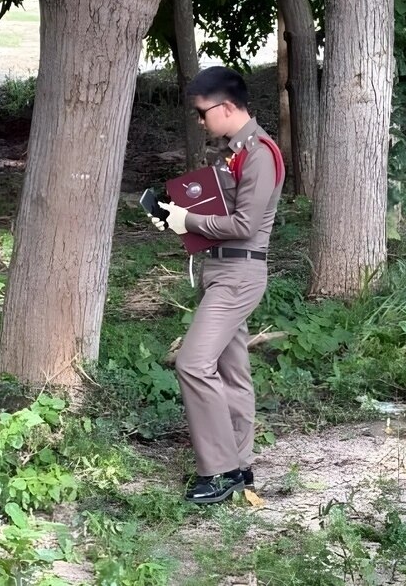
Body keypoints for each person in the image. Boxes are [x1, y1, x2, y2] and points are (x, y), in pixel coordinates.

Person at [148, 66, 283, 504]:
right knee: (231, 371)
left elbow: (244, 224)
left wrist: (190, 219)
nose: (201, 121)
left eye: (203, 113)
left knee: (191, 363)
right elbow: (217, 213)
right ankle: (240, 468)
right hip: (221, 269)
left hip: (239, 275)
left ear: (226, 107)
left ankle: (220, 471)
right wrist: (175, 218)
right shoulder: (232, 151)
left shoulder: (260, 153)